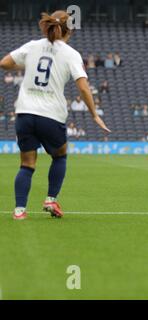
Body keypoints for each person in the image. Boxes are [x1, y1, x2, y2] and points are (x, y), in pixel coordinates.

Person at [0, 10, 110, 220]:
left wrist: (27, 64)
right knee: (59, 156)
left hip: (24, 112)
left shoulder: (33, 46)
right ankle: (50, 200)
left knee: (27, 164)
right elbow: (84, 88)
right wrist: (95, 115)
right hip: (50, 114)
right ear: (69, 31)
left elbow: (5, 63)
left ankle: (19, 211)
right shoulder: (70, 54)